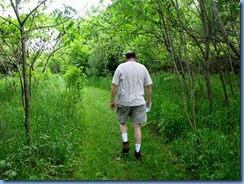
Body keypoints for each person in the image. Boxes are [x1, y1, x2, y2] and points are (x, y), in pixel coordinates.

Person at [110, 50, 153, 160]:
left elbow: (115, 85)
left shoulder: (121, 67)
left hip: (124, 101)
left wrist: (112, 100)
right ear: (135, 57)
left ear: (126, 58)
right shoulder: (142, 67)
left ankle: (125, 141)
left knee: (122, 121)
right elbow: (148, 86)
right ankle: (138, 152)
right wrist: (148, 100)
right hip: (139, 101)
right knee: (137, 126)